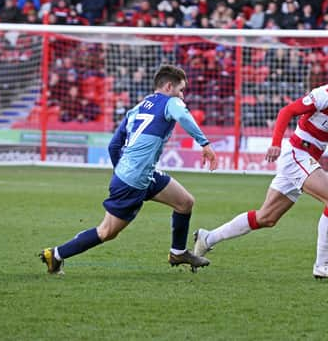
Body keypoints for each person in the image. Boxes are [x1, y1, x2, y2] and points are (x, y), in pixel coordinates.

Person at [192, 54, 328, 279]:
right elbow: (286, 112)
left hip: (307, 158)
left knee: (266, 217)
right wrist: (276, 143)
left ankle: (207, 238)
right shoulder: (326, 95)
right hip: (298, 153)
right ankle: (323, 264)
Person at [39, 65, 217, 274]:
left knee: (185, 202)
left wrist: (121, 171)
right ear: (169, 86)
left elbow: (114, 145)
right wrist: (204, 144)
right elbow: (184, 117)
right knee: (106, 232)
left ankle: (177, 252)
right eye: (181, 90)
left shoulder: (138, 108)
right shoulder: (172, 102)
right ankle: (55, 254)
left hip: (141, 175)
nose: (182, 95)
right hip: (133, 180)